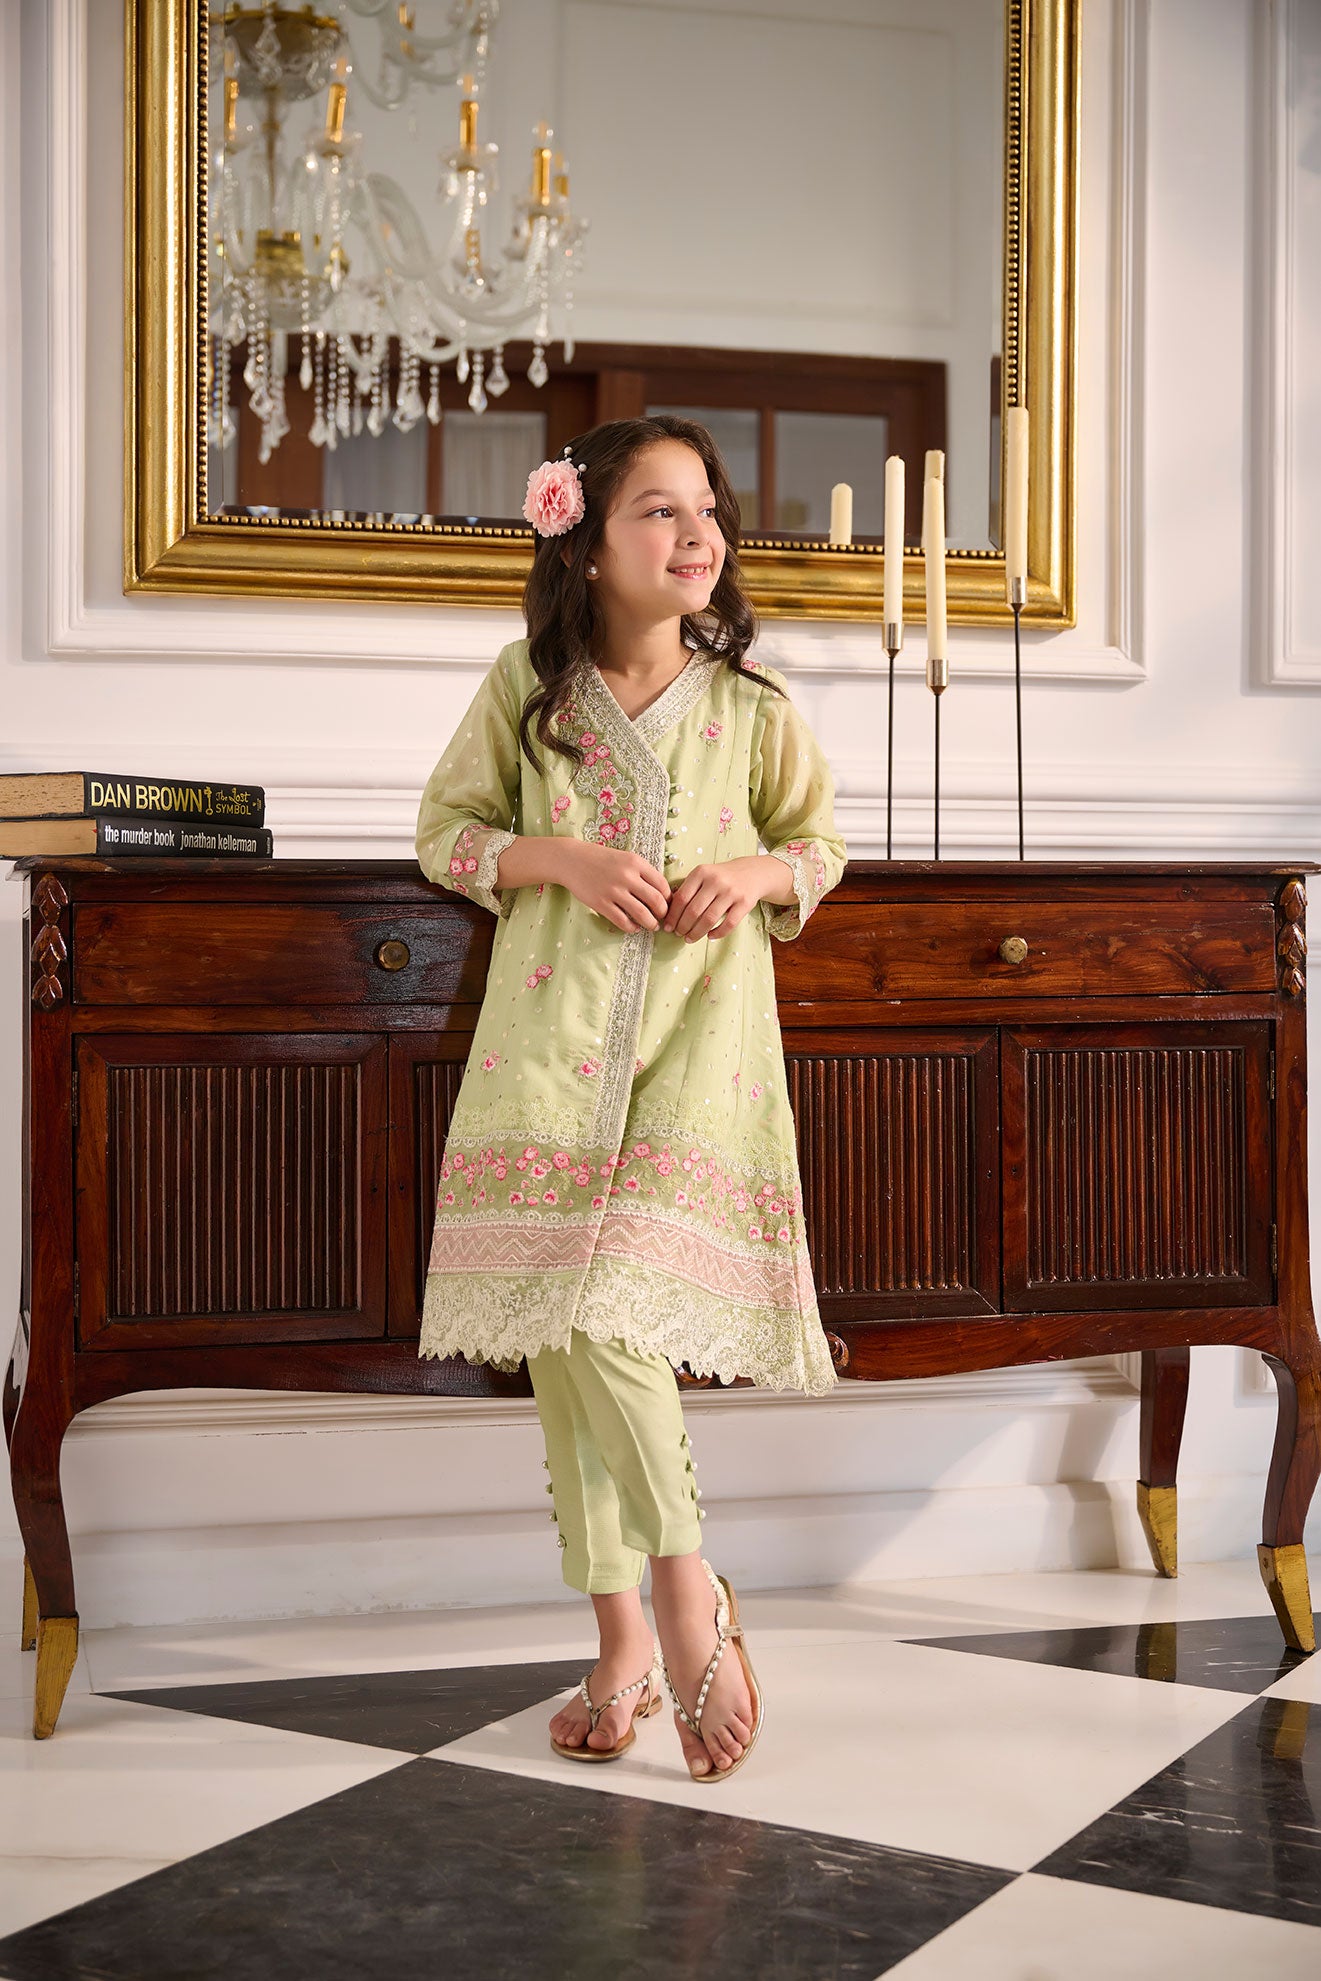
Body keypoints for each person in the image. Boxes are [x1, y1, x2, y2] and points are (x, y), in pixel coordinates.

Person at [413, 414, 848, 1781]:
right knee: (561, 1339)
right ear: (587, 544)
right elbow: (445, 834)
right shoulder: (527, 690)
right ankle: (621, 1640)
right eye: (659, 510)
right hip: (545, 1054)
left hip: (699, 1053)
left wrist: (757, 875)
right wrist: (560, 857)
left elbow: (818, 845)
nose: (695, 532)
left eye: (706, 507)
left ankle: (684, 1590)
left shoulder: (752, 706)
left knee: (604, 1315)